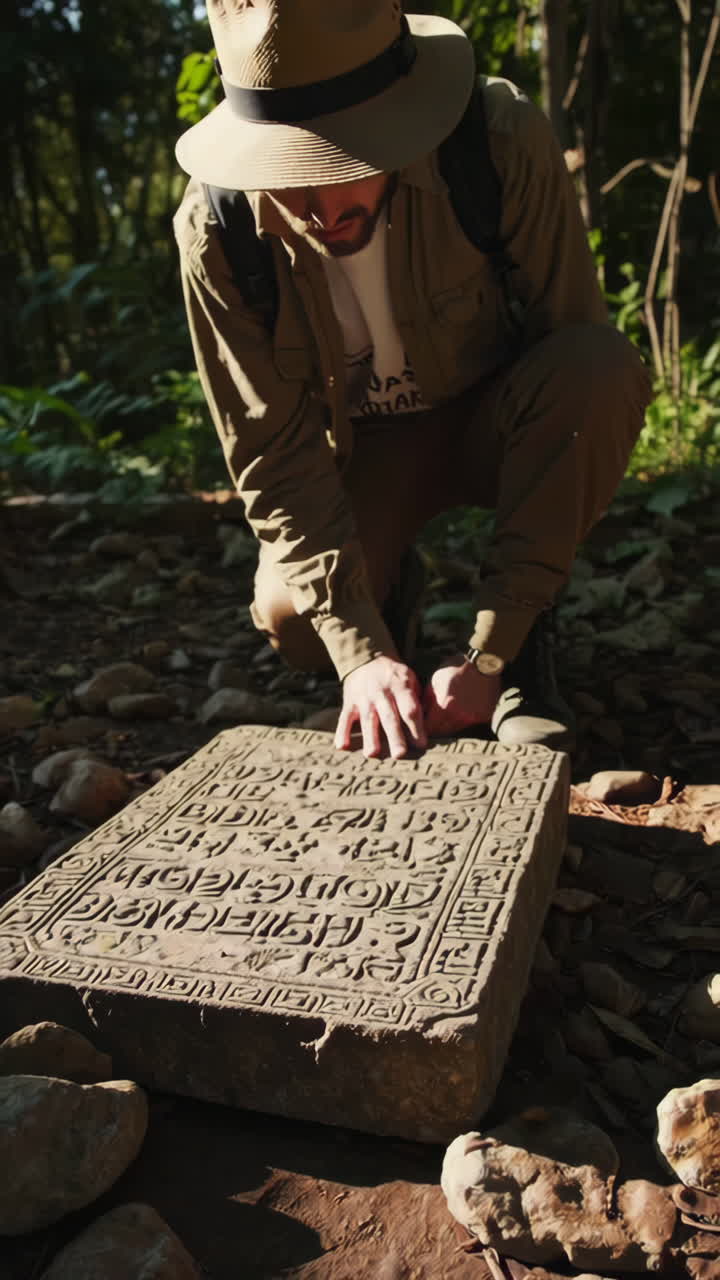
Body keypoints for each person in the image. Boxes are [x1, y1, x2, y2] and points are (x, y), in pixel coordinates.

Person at [174, 0, 653, 762]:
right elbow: (270, 454)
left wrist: (491, 651)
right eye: (293, 174)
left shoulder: (495, 140)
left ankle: (528, 642)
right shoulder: (216, 231)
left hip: (497, 419)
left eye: (344, 162)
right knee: (294, 621)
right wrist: (360, 651)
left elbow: (579, 366)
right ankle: (391, 596)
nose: (323, 210)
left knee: (599, 367)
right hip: (363, 450)